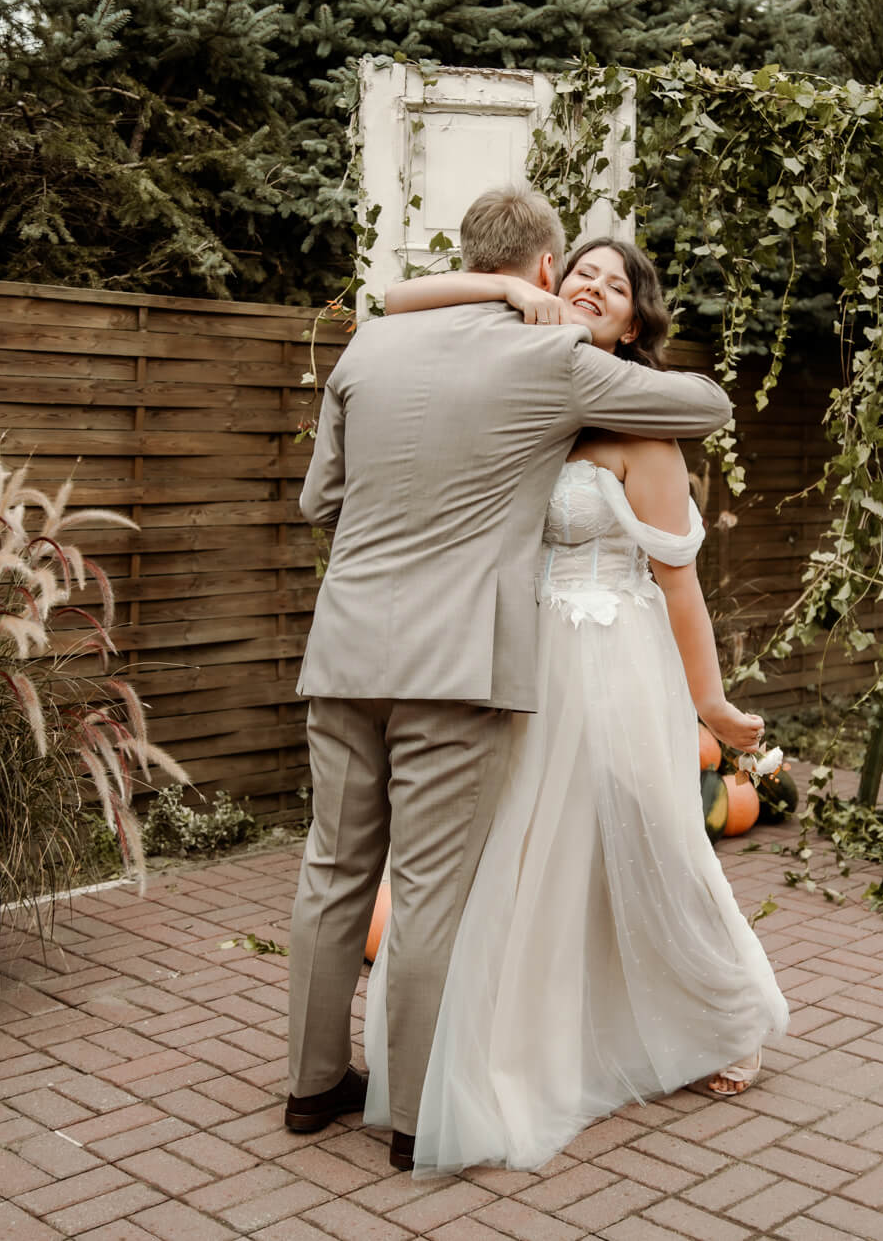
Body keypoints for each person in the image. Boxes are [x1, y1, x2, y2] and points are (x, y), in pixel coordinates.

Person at [284, 187, 735, 1175]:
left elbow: (321, 498)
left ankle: (311, 1085)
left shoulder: (367, 347)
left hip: (346, 647)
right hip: (457, 665)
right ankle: (414, 1118)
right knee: (430, 887)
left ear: (468, 256)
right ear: (542, 270)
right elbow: (706, 406)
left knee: (332, 869)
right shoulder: (551, 358)